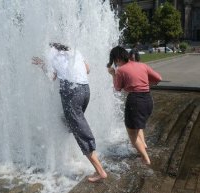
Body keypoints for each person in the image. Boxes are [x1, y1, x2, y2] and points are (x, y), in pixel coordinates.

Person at [32, 43, 107, 182]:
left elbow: (52, 76)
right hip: (85, 90)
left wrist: (42, 65)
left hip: (71, 93)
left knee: (80, 131)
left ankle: (100, 171)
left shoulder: (50, 53)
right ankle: (69, 152)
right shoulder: (74, 50)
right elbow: (88, 69)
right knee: (67, 122)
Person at [107, 46, 162, 165]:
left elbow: (117, 88)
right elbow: (158, 78)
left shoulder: (121, 70)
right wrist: (144, 83)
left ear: (117, 59)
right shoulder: (142, 65)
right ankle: (144, 146)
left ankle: (145, 158)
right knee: (138, 126)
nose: (115, 64)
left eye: (114, 61)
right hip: (148, 99)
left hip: (135, 101)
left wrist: (113, 74)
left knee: (131, 133)